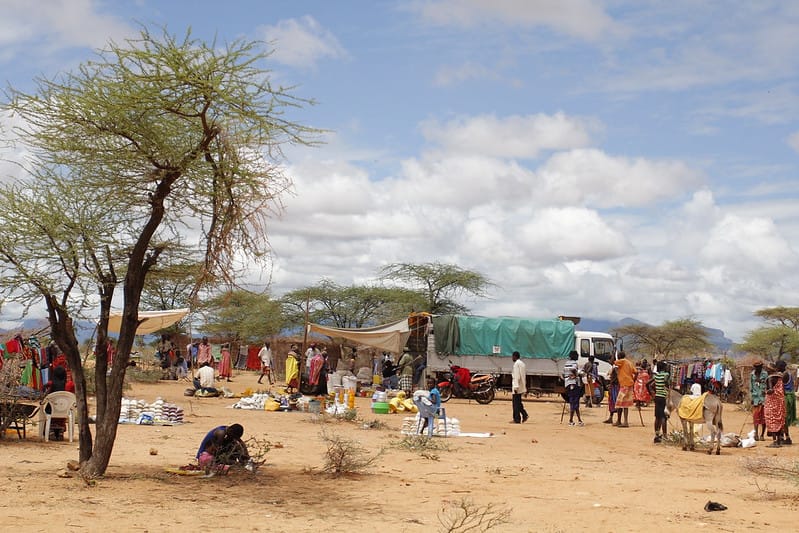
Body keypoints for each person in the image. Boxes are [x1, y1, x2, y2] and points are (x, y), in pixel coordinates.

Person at [647, 361, 670, 443]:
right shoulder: (666, 375)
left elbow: (648, 384)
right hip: (664, 397)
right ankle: (665, 435)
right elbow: (666, 383)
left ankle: (657, 434)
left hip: (657, 397)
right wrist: (667, 386)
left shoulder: (656, 376)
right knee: (664, 417)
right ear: (663, 367)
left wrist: (652, 394)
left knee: (657, 417)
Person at [764, 363, 786, 448]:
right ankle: (779, 440)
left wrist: (765, 392)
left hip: (772, 402)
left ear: (769, 370)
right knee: (779, 419)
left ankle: (774, 442)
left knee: (772, 419)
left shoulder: (770, 378)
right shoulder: (780, 378)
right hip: (780, 402)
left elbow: (770, 390)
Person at [613, 351, 636, 427]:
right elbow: (636, 372)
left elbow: (614, 362)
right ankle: (620, 421)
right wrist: (634, 380)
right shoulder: (629, 362)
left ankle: (624, 422)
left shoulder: (622, 361)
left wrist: (613, 357)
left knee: (620, 403)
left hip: (625, 385)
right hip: (628, 384)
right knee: (624, 403)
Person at [750, 360, 768, 441]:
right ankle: (756, 434)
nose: (758, 368)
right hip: (755, 398)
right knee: (755, 417)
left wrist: (762, 383)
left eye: (760, 367)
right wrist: (751, 398)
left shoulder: (765, 374)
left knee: (764, 417)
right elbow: (751, 387)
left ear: (762, 367)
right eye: (757, 367)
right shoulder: (752, 375)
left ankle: (762, 435)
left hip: (763, 398)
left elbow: (768, 384)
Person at [779, 359, 794, 445]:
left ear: (781, 367)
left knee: (783, 418)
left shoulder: (784, 375)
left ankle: (787, 437)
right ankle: (783, 436)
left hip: (786, 397)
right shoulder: (789, 373)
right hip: (789, 396)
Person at [511, 351, 529, 424]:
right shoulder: (522, 364)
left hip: (517, 387)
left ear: (515, 356)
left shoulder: (516, 364)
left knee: (515, 403)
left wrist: (515, 387)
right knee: (518, 403)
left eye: (512, 356)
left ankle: (517, 419)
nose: (512, 358)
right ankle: (524, 415)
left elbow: (517, 376)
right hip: (521, 386)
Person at [564, 362, 583, 426]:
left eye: (572, 375)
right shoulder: (569, 381)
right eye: (570, 375)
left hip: (576, 396)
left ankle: (578, 420)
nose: (571, 376)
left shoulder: (577, 380)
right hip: (572, 396)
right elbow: (566, 389)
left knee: (576, 408)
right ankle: (571, 420)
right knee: (573, 408)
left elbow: (580, 387)